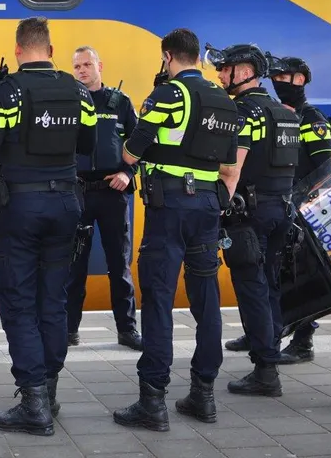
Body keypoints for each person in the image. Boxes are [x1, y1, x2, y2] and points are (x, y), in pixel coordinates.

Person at [0, 16, 97, 436]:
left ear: (17, 51)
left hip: (20, 208)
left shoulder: (6, 92)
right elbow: (88, 145)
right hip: (66, 204)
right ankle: (49, 391)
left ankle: (33, 401)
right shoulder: (77, 90)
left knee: (18, 301)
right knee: (52, 300)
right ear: (50, 51)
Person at [112, 28, 238, 432]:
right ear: (197, 56)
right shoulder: (224, 99)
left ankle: (153, 399)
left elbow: (131, 150)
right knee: (206, 299)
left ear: (168, 57)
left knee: (160, 297)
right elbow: (230, 167)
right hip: (208, 206)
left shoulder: (169, 95)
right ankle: (203, 394)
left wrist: (130, 151)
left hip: (170, 209)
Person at [209, 43, 300, 397]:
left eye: (225, 69)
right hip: (281, 210)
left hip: (251, 215)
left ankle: (265, 372)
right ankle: (271, 354)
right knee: (271, 285)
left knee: (253, 289)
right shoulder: (285, 113)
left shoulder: (241, 112)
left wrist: (217, 205)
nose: (219, 75)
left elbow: (233, 168)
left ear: (245, 72)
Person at [67, 45, 141, 351]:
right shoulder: (69, 102)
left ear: (100, 65)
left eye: (87, 64)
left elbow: (141, 144)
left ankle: (127, 330)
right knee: (73, 266)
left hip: (113, 193)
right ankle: (69, 331)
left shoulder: (121, 102)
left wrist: (128, 173)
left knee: (119, 266)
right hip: (78, 193)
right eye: (77, 66)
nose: (82, 70)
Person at [270, 54, 331, 364]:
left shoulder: (312, 120)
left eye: (285, 78)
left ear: (301, 80)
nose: (279, 84)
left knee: (302, 276)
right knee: (275, 273)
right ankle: (267, 331)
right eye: (276, 79)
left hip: (304, 211)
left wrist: (300, 199)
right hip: (281, 208)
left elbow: (325, 171)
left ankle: (303, 341)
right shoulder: (281, 116)